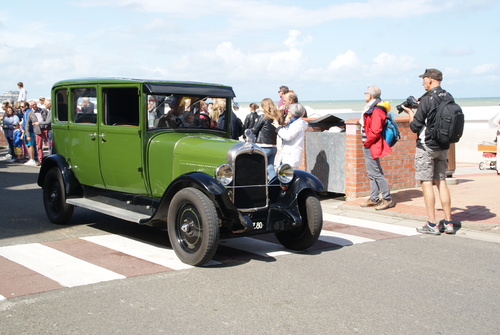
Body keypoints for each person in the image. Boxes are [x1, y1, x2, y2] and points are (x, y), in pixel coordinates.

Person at [402, 68, 454, 235]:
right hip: (443, 146)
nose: (422, 82)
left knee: (426, 182)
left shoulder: (427, 99)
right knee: (442, 182)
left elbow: (415, 126)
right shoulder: (448, 96)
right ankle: (448, 222)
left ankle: (432, 223)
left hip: (427, 146)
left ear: (431, 80)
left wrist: (410, 112)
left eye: (424, 79)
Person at [360, 86, 394, 210]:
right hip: (370, 144)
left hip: (371, 144)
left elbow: (375, 130)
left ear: (369, 95)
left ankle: (387, 198)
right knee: (371, 172)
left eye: (365, 93)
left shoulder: (376, 110)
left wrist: (367, 143)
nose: (364, 95)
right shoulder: (374, 108)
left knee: (376, 173)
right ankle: (374, 198)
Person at [251, 98, 282, 179]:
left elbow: (254, 130)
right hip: (273, 146)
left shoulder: (263, 117)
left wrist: (255, 123)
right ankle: (273, 184)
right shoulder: (276, 117)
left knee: (258, 167)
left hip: (262, 146)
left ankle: (260, 185)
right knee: (270, 167)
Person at [273, 103, 308, 169]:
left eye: (289, 111)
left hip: (291, 156)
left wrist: (278, 128)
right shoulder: (293, 123)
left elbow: (287, 136)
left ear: (292, 113)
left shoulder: (297, 125)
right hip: (288, 155)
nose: (288, 112)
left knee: (289, 176)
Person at [26, 100, 51, 166]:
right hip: (37, 130)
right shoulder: (30, 113)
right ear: (30, 106)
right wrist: (28, 135)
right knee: (39, 146)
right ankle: (41, 159)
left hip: (46, 129)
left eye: (35, 104)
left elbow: (49, 119)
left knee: (49, 144)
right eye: (33, 105)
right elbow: (27, 124)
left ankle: (50, 158)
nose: (35, 106)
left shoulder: (43, 110)